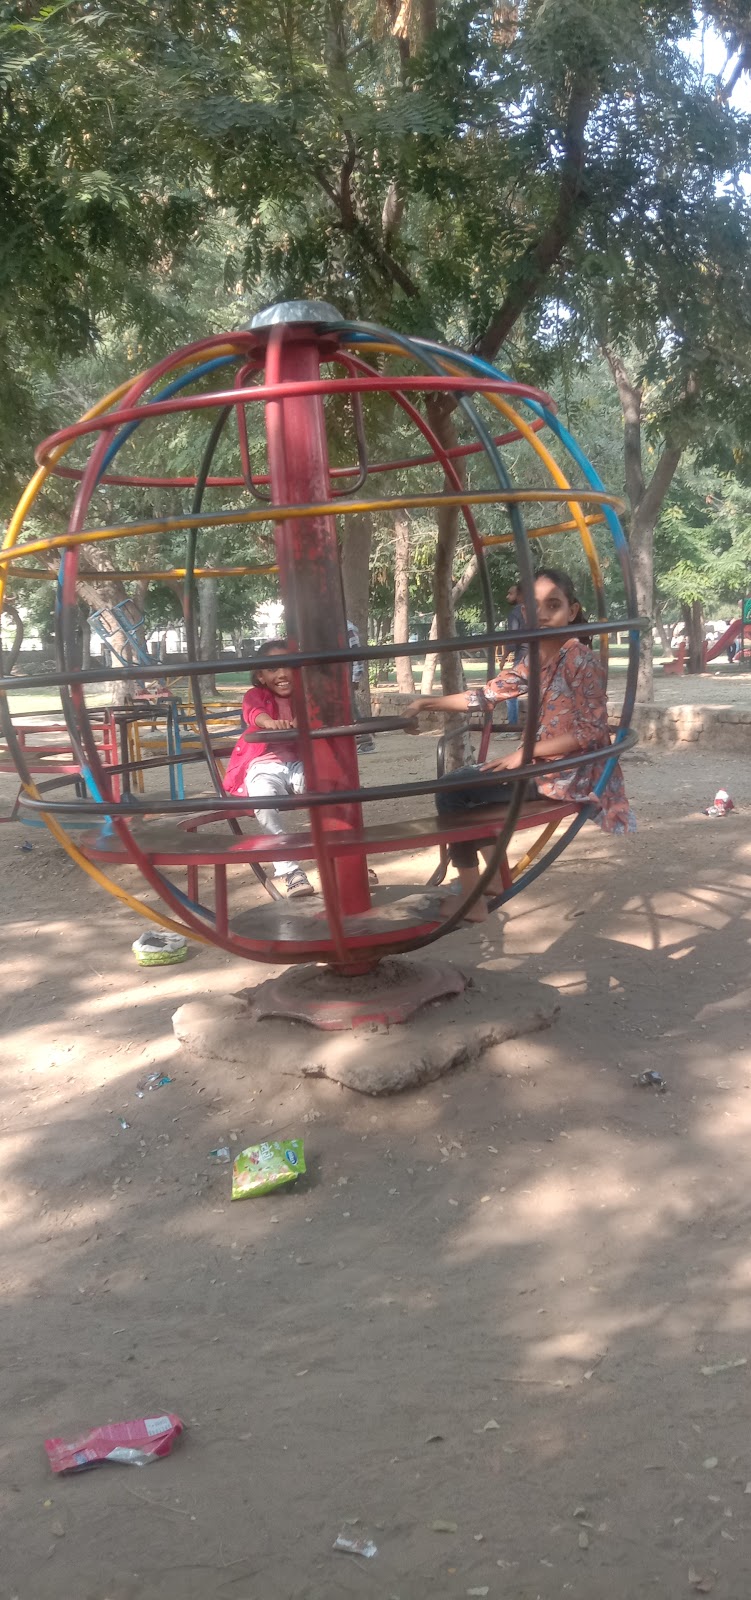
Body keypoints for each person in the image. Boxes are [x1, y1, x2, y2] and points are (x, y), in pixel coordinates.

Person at [407, 568, 635, 922]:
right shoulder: (534, 661)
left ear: (571, 612)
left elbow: (591, 731)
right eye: (534, 606)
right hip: (544, 766)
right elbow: (483, 697)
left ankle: (473, 899)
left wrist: (524, 754)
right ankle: (493, 879)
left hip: (568, 774)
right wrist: (426, 703)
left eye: (553, 605)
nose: (542, 614)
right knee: (461, 788)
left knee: (454, 790)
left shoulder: (580, 659)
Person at [223, 640, 315, 899]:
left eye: (288, 667)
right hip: (264, 765)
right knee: (263, 801)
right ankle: (290, 871)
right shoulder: (256, 696)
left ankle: (347, 859)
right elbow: (254, 713)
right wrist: (270, 723)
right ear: (261, 676)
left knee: (331, 787)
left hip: (299, 763)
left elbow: (315, 712)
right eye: (273, 669)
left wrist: (305, 720)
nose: (282, 674)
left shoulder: (305, 697)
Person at [347, 619, 376, 753]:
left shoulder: (348, 629)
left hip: (346, 676)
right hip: (334, 677)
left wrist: (355, 678)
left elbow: (356, 655)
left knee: (350, 708)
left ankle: (365, 740)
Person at [503, 581, 526, 727]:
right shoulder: (535, 610)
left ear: (519, 595)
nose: (507, 597)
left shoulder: (515, 613)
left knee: (510, 691)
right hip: (539, 656)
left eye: (511, 593)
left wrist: (504, 657)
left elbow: (512, 641)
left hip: (522, 658)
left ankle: (512, 726)